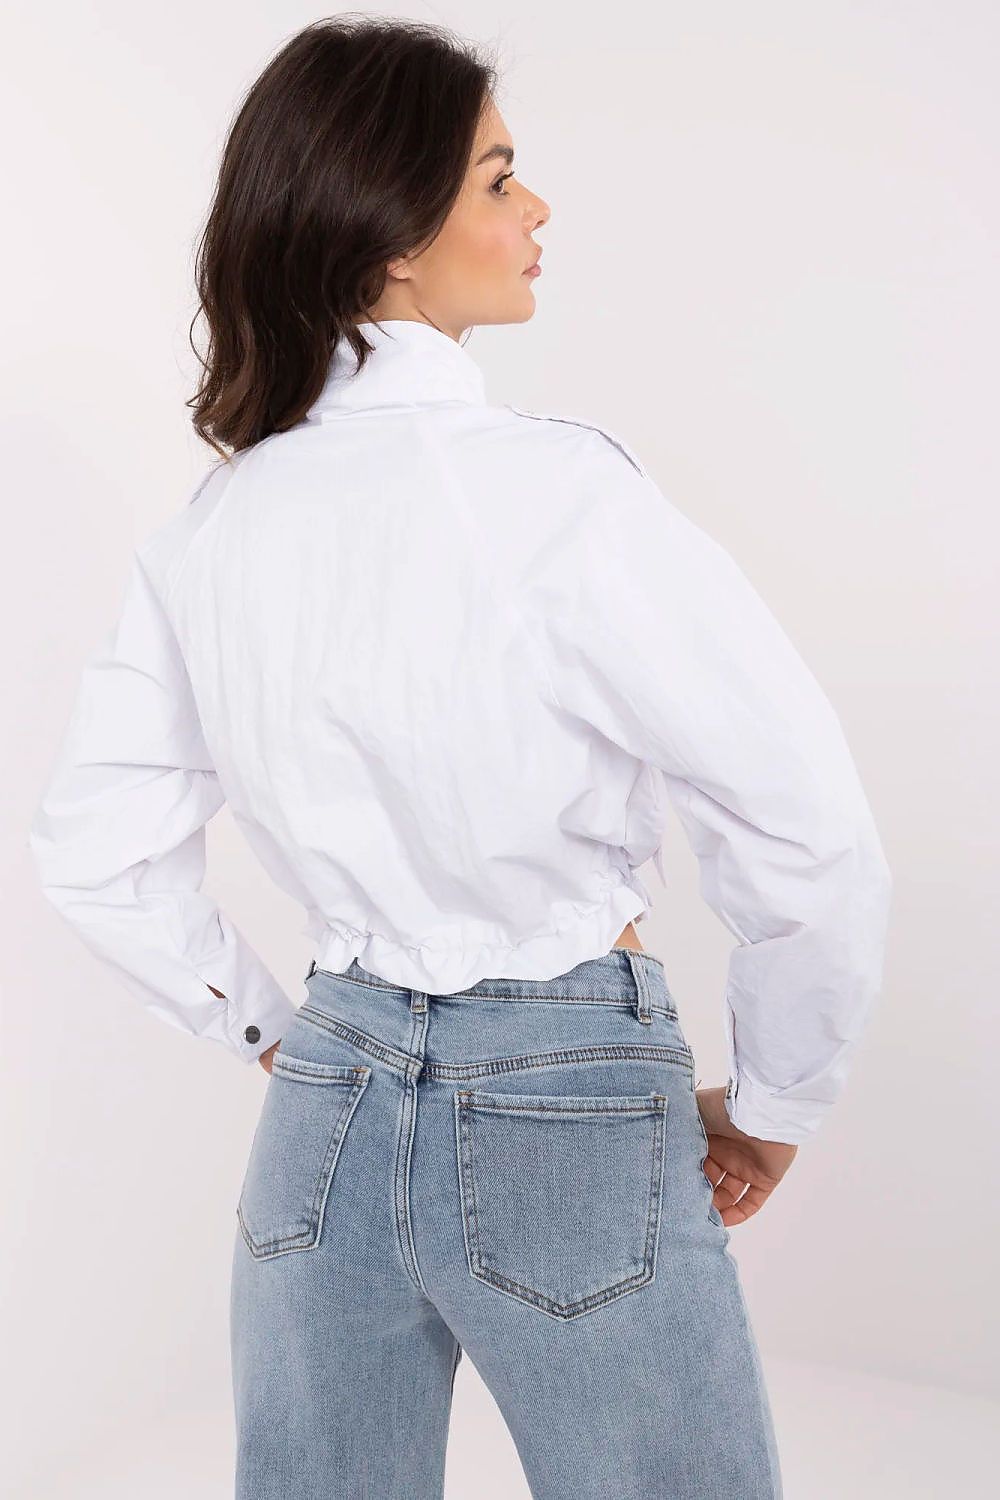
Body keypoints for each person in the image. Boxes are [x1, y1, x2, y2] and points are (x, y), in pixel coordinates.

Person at [27, 16, 892, 1500]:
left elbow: (95, 855)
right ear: (391, 239)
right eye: (498, 178)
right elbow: (808, 833)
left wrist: (284, 1037)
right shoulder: (558, 493)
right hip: (568, 1091)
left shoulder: (217, 528)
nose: (538, 207)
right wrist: (775, 1104)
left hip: (325, 1110)